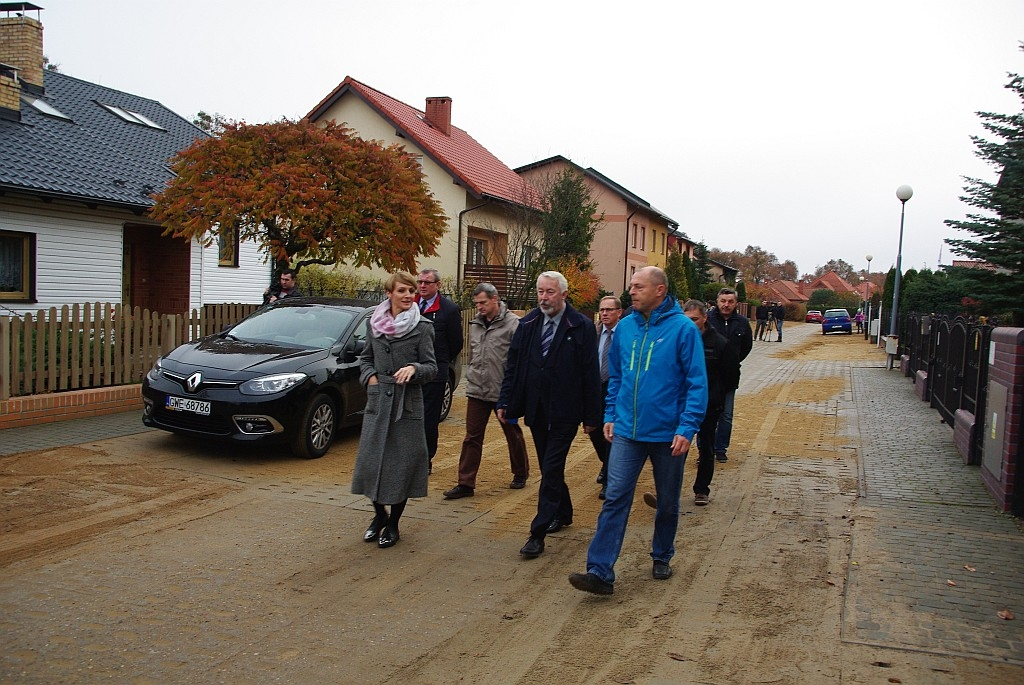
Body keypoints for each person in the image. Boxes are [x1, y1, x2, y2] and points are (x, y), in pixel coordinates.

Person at [567, 267, 707, 595]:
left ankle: (661, 554)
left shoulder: (683, 330)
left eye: (639, 286)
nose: (631, 291)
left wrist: (687, 428)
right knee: (615, 497)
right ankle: (600, 571)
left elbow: (697, 383)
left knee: (668, 500)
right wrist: (612, 413)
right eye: (631, 285)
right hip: (628, 431)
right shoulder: (626, 327)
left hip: (668, 433)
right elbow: (616, 376)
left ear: (659, 290)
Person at [497, 271, 602, 559]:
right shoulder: (529, 322)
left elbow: (590, 375)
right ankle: (564, 511)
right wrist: (506, 399)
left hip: (567, 410)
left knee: (552, 466)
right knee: (548, 466)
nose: (544, 297)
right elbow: (514, 366)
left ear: (564, 295)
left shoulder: (580, 326)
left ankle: (537, 532)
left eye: (550, 292)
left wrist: (593, 416)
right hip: (537, 408)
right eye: (540, 291)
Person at [351, 271, 437, 549]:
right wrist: (370, 379)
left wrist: (414, 369)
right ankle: (378, 516)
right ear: (389, 294)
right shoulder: (374, 324)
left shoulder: (422, 327)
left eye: (411, 291)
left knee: (402, 467)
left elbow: (433, 367)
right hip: (379, 402)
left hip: (406, 405)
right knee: (372, 463)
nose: (408, 295)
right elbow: (365, 359)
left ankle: (393, 524)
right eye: (402, 291)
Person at [443, 283, 530, 499]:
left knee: (512, 433)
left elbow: (520, 361)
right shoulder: (476, 324)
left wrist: (515, 391)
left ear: (495, 299)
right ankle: (465, 483)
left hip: (503, 392)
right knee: (472, 437)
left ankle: (520, 472)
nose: (479, 307)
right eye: (476, 303)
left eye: (482, 302)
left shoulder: (514, 325)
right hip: (477, 389)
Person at [415, 268, 464, 472]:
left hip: (434, 373)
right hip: (411, 371)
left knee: (428, 419)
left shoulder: (449, 309)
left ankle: (425, 460)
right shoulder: (410, 304)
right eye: (420, 282)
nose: (423, 286)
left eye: (427, 282)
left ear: (438, 285)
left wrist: (440, 361)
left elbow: (456, 342)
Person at [706, 288, 753, 463]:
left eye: (730, 302)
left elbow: (747, 346)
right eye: (723, 301)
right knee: (707, 414)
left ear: (735, 303)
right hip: (708, 375)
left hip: (730, 377)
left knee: (726, 415)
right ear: (717, 302)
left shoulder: (742, 323)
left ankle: (720, 448)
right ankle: (706, 450)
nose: (726, 305)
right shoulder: (708, 320)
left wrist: (732, 361)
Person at [590, 295, 622, 500]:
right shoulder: (595, 332)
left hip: (617, 386)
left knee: (611, 433)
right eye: (602, 310)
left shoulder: (624, 333)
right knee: (594, 430)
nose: (604, 314)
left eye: (609, 310)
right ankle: (606, 464)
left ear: (619, 312)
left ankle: (610, 480)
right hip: (596, 386)